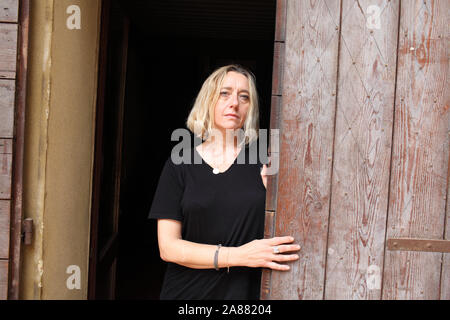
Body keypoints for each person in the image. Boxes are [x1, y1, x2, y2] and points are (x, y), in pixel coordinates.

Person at [148, 64, 300, 300]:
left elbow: (298, 227)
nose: (234, 103)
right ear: (208, 101)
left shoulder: (266, 160)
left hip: (242, 295)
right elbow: (168, 248)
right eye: (225, 93)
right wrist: (239, 256)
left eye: (244, 97)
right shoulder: (179, 164)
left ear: (250, 108)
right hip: (185, 295)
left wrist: (278, 194)